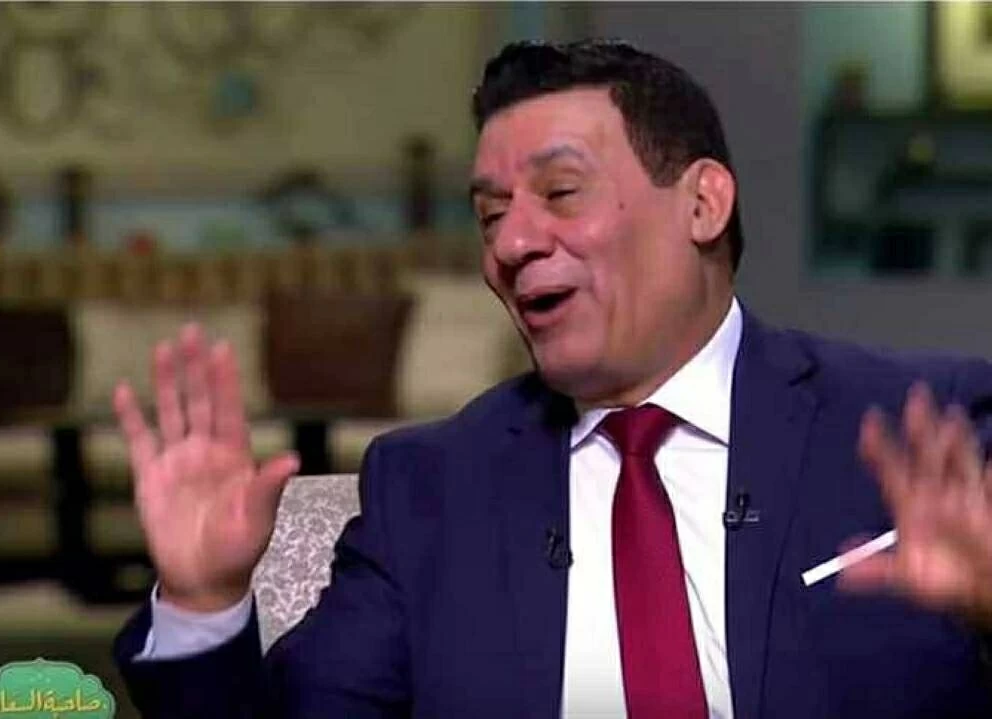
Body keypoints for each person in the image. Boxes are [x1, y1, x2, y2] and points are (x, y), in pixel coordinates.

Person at [113, 40, 992, 718]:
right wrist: (201, 601)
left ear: (702, 203)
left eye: (560, 192)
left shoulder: (929, 424)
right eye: (490, 214)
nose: (512, 242)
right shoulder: (431, 488)